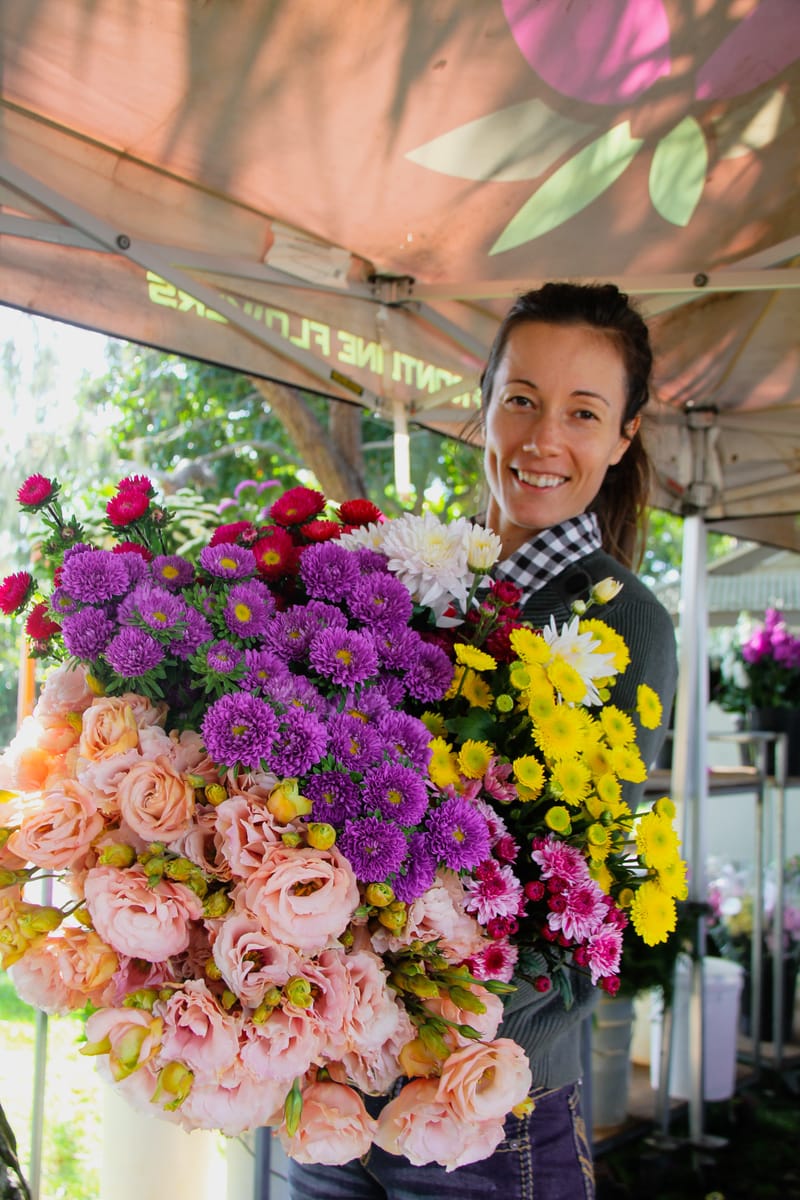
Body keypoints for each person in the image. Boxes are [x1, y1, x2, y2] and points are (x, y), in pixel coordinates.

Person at [287, 282, 678, 1200]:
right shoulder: (412, 577)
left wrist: (443, 1031)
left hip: (483, 1102)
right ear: (486, 402)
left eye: (584, 413)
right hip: (332, 1084)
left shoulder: (623, 622)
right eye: (523, 400)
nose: (544, 439)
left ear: (624, 437)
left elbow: (585, 884)